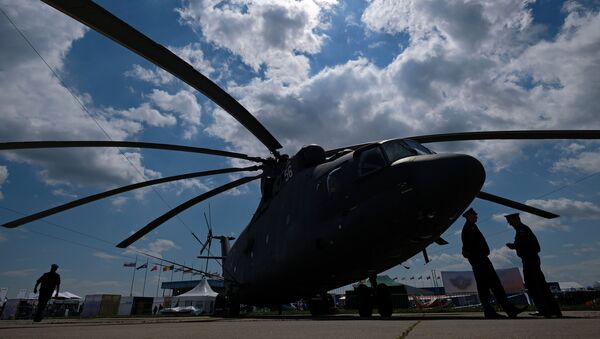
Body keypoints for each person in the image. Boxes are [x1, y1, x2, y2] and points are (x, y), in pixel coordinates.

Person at [461, 208, 523, 318]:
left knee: (492, 286)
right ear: (469, 216)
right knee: (491, 286)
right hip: (480, 261)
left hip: (481, 260)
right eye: (474, 215)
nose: (476, 216)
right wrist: (476, 259)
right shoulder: (468, 228)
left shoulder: (472, 227)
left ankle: (507, 309)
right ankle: (499, 310)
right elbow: (467, 249)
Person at [505, 213, 562, 317]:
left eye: (511, 222)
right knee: (540, 285)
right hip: (531, 260)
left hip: (530, 260)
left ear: (516, 219)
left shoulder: (522, 230)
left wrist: (514, 246)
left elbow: (527, 245)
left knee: (533, 285)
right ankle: (552, 310)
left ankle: (545, 310)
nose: (510, 224)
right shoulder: (522, 230)